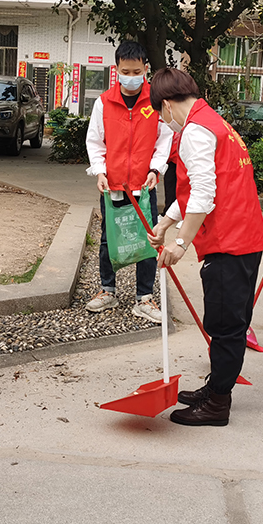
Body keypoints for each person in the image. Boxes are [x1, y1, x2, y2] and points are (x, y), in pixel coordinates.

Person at [147, 68, 263, 426]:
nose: (163, 121)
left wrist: (181, 242)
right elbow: (199, 188)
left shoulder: (195, 132)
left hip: (228, 242)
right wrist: (166, 222)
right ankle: (216, 385)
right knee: (226, 321)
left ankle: (217, 404)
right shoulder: (215, 123)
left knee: (226, 326)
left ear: (166, 104)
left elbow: (203, 193)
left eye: (160, 113)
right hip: (245, 236)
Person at [84, 40, 172, 323]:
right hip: (113, 185)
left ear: (146, 69)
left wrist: (156, 170)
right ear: (116, 69)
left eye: (136, 72)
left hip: (144, 185)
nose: (131, 77)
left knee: (148, 240)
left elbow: (164, 140)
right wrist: (100, 171)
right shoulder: (104, 103)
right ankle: (107, 290)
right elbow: (95, 141)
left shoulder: (155, 102)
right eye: (126, 71)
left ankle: (144, 297)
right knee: (109, 239)